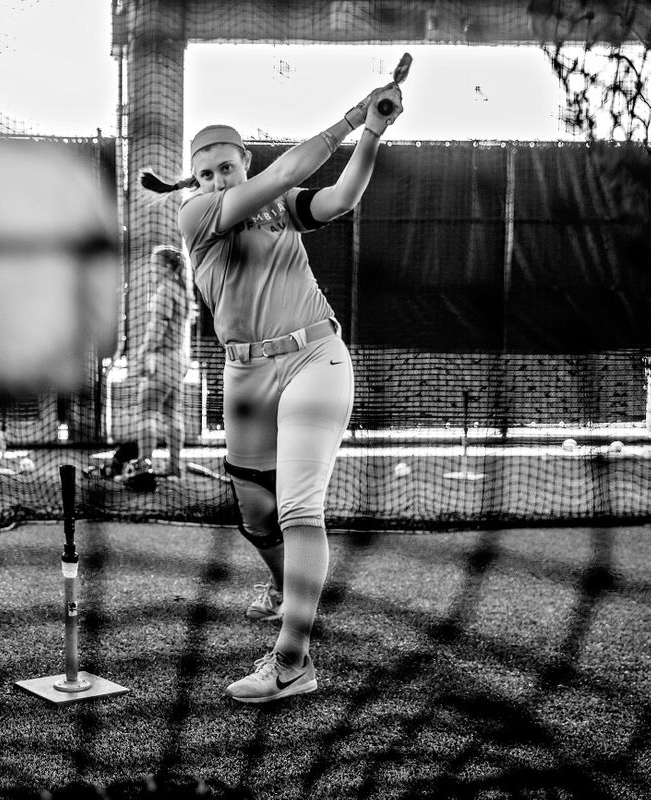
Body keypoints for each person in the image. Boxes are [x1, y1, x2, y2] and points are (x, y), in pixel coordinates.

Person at [143, 83, 404, 703]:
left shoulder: (277, 202)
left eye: (226, 168)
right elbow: (290, 166)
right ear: (194, 182)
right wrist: (350, 113)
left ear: (244, 164)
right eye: (203, 173)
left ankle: (292, 659)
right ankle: (287, 591)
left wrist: (370, 133)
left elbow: (338, 197)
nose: (215, 180)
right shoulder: (194, 215)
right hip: (245, 375)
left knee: (297, 508)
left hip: (314, 354)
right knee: (255, 511)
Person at [125, 245, 191, 484]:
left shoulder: (165, 291)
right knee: (172, 412)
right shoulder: (183, 291)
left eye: (155, 264)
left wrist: (143, 353)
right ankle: (175, 468)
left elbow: (157, 328)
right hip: (178, 360)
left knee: (146, 412)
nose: (152, 269)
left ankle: (144, 469)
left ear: (166, 267)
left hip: (162, 359)